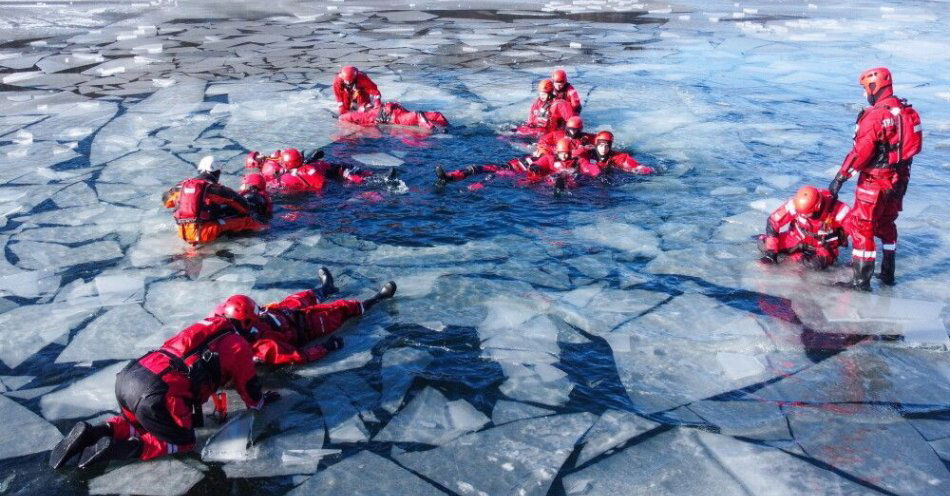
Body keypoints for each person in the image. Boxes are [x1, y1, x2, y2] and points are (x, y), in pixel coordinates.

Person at [49, 309, 276, 469]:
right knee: (182, 442)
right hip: (161, 393)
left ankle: (94, 432)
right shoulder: (239, 345)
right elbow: (249, 388)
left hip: (132, 375)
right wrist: (260, 402)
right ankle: (118, 450)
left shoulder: (205, 325)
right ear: (247, 322)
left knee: (135, 423)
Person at [827, 67, 922, 290]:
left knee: (863, 228)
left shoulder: (876, 115)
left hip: (875, 179)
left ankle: (861, 281)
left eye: (864, 89)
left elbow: (861, 152)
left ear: (874, 87)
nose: (864, 95)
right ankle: (888, 272)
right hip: (900, 178)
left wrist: (840, 178)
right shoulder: (906, 110)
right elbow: (912, 147)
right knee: (886, 222)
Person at [211, 268, 396, 366]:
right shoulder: (266, 347)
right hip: (302, 327)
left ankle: (326, 288)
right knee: (340, 309)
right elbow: (299, 356)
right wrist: (326, 347)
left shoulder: (227, 319)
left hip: (281, 313)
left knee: (301, 297)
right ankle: (377, 299)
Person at [162, 157, 266, 244]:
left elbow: (166, 202)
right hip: (204, 233)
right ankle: (265, 231)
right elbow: (244, 207)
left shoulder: (181, 186)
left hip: (182, 231)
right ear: (215, 173)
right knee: (247, 221)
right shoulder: (214, 189)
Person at [436, 137, 597, 191]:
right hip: (508, 167)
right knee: (477, 167)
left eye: (540, 150)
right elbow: (539, 162)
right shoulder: (539, 156)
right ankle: (450, 177)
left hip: (518, 175)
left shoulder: (552, 159)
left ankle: (470, 189)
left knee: (493, 176)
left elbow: (541, 166)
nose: (537, 152)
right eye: (537, 150)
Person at [759, 185, 851, 269]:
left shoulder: (840, 211)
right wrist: (770, 253)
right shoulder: (795, 204)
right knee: (764, 245)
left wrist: (857, 262)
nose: (802, 216)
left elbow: (859, 235)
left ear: (817, 207)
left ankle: (794, 258)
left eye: (806, 214)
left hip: (823, 246)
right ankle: (788, 255)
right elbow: (774, 221)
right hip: (798, 238)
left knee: (814, 265)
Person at [246, 148, 372, 192]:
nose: (260, 154)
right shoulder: (269, 167)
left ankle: (365, 177)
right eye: (257, 156)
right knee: (340, 170)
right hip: (320, 180)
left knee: (339, 170)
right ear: (255, 162)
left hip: (318, 184)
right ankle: (366, 177)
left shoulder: (272, 163)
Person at [339, 101, 449, 130]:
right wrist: (341, 116)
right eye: (367, 106)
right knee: (417, 114)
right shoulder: (367, 115)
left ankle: (448, 126)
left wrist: (390, 105)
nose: (370, 105)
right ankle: (429, 126)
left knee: (436, 115)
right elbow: (348, 116)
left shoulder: (377, 107)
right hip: (397, 118)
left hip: (402, 112)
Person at [585, 131, 654, 175]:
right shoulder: (587, 153)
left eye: (606, 146)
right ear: (596, 145)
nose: (603, 149)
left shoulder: (616, 156)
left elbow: (630, 163)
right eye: (601, 146)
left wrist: (641, 168)